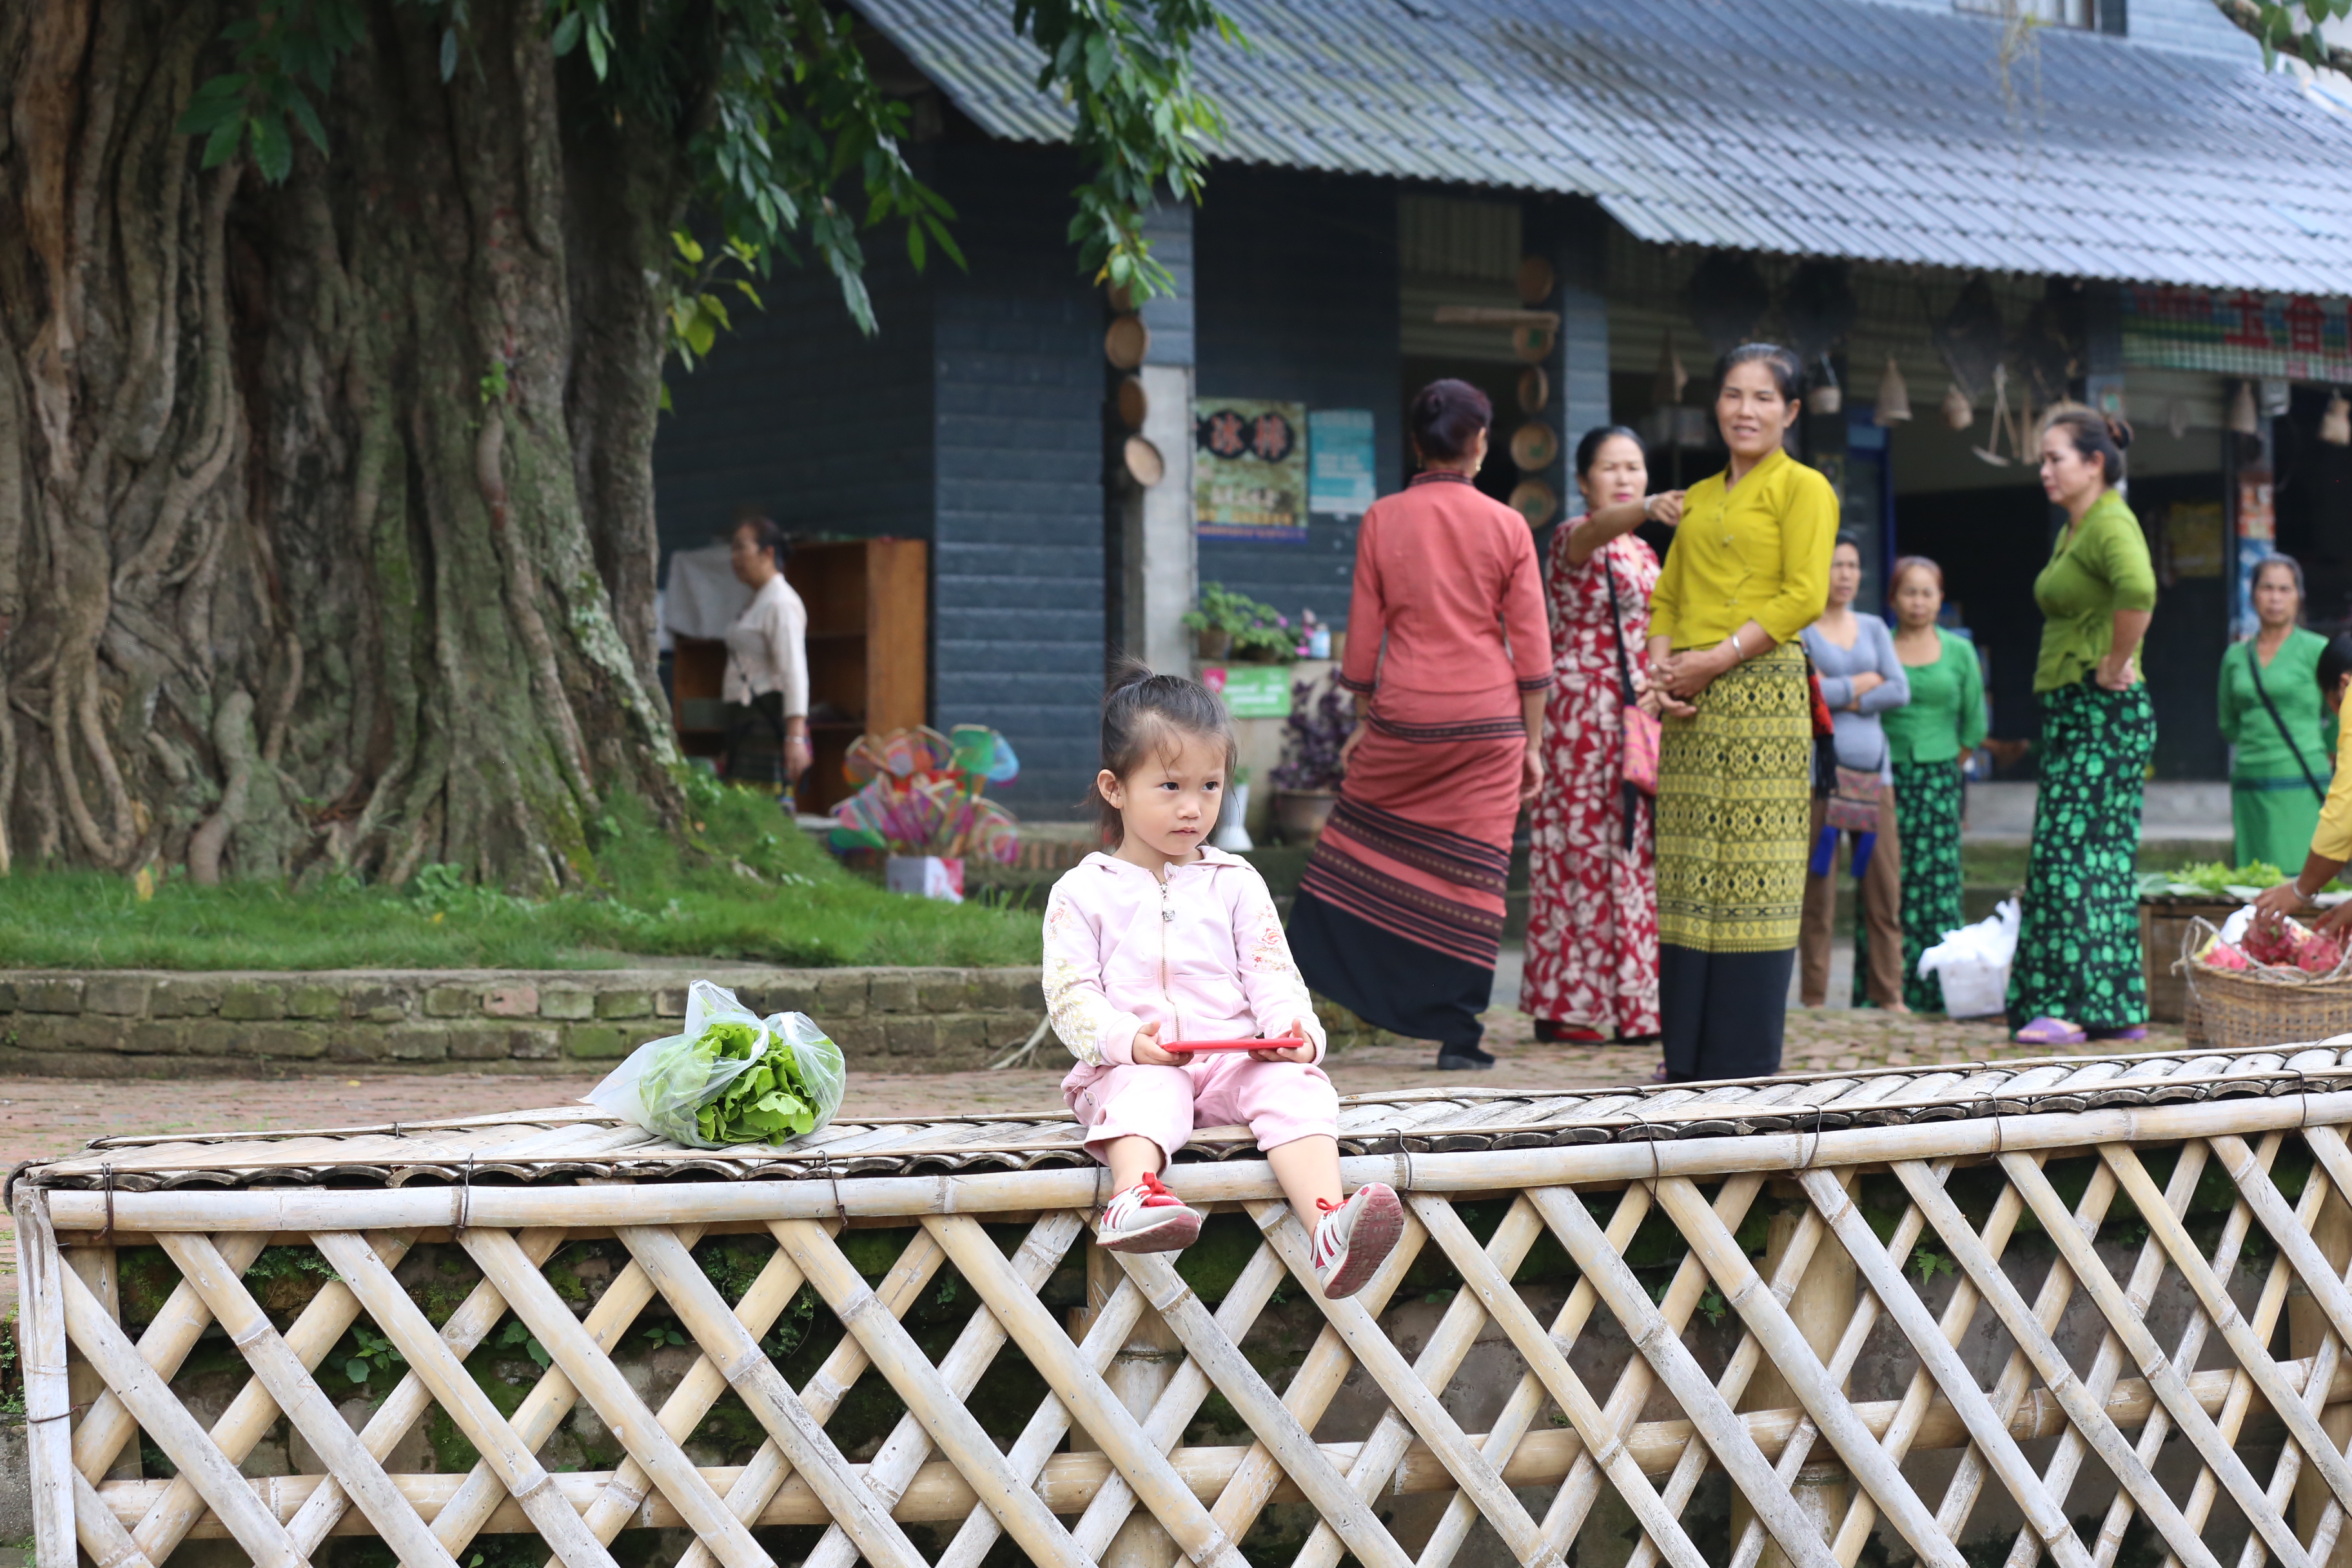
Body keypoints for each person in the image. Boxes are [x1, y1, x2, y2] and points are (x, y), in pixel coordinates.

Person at [1042, 662, 1403, 1296]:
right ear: (1115, 787)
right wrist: (1126, 1039)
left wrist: (1293, 1030)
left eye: (1211, 785)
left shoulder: (1235, 880)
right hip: (1130, 1067)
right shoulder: (1082, 890)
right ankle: (1132, 1198)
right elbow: (1071, 997)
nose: (1194, 806)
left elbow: (1271, 971)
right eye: (1171, 785)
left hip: (1230, 1062)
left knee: (1295, 1084)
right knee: (1151, 1091)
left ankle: (1327, 1222)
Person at [1289, 379, 1552, 1071]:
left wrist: (1359, 720)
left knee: (1356, 846)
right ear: (1481, 444)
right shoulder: (1508, 525)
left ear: (1415, 442)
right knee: (1475, 873)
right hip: (1491, 723)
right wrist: (1535, 744)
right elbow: (1532, 648)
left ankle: (1319, 974)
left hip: (1406, 716)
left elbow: (1363, 640)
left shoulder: (1382, 517)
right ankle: (1458, 1034)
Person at [1645, 345, 1836, 1081]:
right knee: (1691, 869)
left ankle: (1742, 1057)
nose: (1744, 410)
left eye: (1762, 398)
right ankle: (1684, 1057)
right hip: (1690, 698)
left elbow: (1803, 595)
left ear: (1790, 412)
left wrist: (1717, 657)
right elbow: (1667, 594)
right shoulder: (1695, 495)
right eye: (1732, 394)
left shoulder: (1804, 487)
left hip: (1762, 689)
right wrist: (1665, 673)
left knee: (1759, 868)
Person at [1521, 426, 1681, 1044]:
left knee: (1634, 853)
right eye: (1611, 468)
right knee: (1578, 854)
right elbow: (1593, 534)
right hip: (1580, 719)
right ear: (1585, 481)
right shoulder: (1572, 536)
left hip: (1637, 715)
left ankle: (1637, 1006)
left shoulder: (1646, 554)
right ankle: (1570, 1006)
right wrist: (1642, 509)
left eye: (1635, 468)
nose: (1624, 477)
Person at [2007, 407, 2157, 1046]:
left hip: (2104, 713)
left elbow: (2140, 590)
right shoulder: (2077, 527)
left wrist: (2114, 663)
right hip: (2075, 713)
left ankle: (2078, 1007)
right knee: (2071, 855)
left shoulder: (2109, 523)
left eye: (2055, 458)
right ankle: (2110, 1006)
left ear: (2094, 463)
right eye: (2043, 459)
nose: (2044, 469)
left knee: (2081, 855)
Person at [1799, 536, 1911, 1011]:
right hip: (1820, 778)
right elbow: (1806, 694)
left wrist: (1838, 694)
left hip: (1874, 779)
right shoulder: (1801, 629)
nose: (1845, 574)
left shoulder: (1873, 628)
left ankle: (1889, 996)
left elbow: (1900, 690)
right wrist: (1862, 684)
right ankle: (1815, 997)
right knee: (1817, 896)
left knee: (1883, 892)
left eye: (1852, 565)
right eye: (1834, 565)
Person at [1882, 556, 1986, 1014]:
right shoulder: (1879, 645)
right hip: (1885, 782)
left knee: (1939, 883)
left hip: (1941, 779)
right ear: (1893, 599)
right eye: (1909, 592)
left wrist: (1949, 762)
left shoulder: (1960, 651)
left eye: (1928, 593)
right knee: (1887, 882)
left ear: (1941, 599)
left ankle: (1939, 989)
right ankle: (1886, 988)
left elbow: (1974, 723)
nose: (1918, 602)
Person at [2219, 554, 2333, 873]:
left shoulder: (2318, 650)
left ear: (2299, 596)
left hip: (2303, 780)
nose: (2275, 598)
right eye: (2267, 588)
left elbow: (2342, 713)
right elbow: (2228, 722)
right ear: (2253, 594)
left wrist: (2325, 748)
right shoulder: (2235, 656)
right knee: (2253, 882)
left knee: (2303, 884)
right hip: (2250, 781)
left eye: (2285, 589)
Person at [721, 516, 812, 791]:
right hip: (744, 719)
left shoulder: (780, 603)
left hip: (765, 717)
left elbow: (794, 670)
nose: (734, 557)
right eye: (733, 549)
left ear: (767, 553)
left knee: (764, 808)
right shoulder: (757, 600)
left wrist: (795, 738)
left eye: (741, 548)